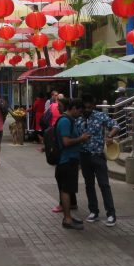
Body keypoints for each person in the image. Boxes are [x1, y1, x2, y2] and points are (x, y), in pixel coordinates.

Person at [76, 94, 119, 227]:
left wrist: (110, 136)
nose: (87, 110)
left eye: (90, 107)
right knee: (89, 185)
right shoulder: (78, 118)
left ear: (94, 106)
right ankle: (93, 211)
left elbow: (116, 125)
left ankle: (111, 214)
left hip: (98, 155)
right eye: (85, 107)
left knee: (104, 185)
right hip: (84, 155)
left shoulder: (100, 116)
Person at [55, 98, 91, 230]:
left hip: (70, 159)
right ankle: (67, 219)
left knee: (68, 189)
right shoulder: (65, 121)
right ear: (73, 108)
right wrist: (81, 139)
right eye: (79, 111)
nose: (80, 114)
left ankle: (68, 216)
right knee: (66, 189)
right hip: (66, 160)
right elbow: (65, 142)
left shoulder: (70, 120)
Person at [51, 97, 78, 214]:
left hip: (66, 158)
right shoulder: (69, 120)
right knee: (68, 183)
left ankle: (65, 209)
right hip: (69, 157)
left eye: (60, 105)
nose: (58, 107)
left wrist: (81, 139)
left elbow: (65, 141)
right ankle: (72, 203)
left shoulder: (65, 120)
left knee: (64, 185)